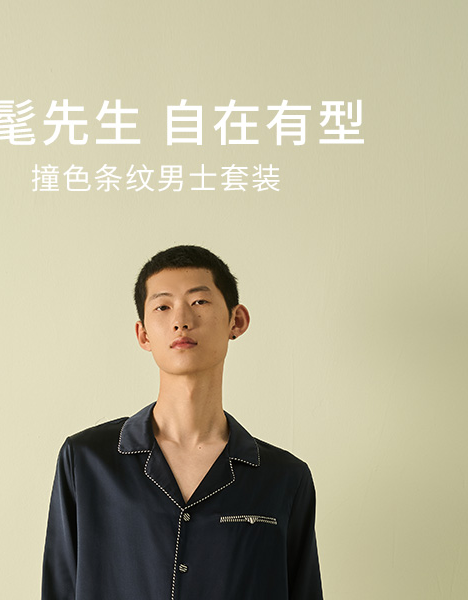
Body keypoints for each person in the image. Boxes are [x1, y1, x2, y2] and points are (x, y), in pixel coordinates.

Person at [42, 245, 324, 600]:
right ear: (143, 334)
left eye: (199, 301)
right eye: (163, 307)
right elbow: (60, 588)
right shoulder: (86, 461)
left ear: (237, 320)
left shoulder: (284, 478)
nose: (181, 320)